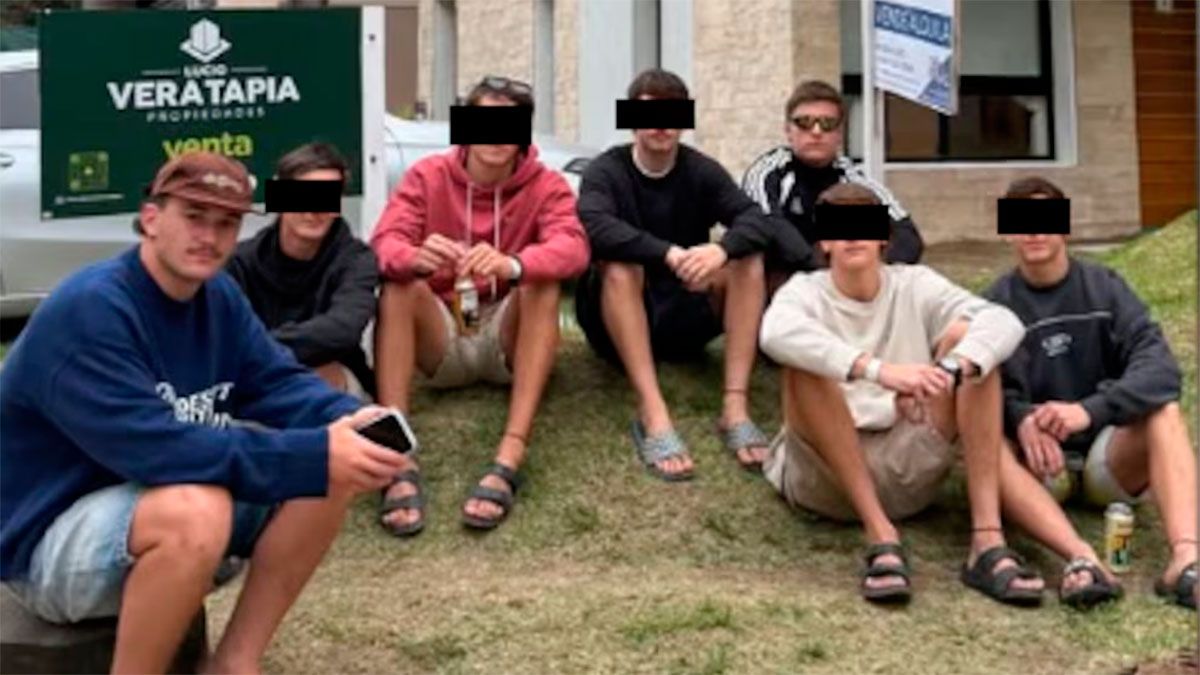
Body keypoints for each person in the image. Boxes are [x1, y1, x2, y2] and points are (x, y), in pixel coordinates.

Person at [0, 151, 408, 673]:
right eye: (194, 216)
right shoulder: (92, 309)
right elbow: (159, 451)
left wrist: (354, 421)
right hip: (46, 543)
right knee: (200, 509)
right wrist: (313, 452)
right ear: (151, 218)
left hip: (146, 508)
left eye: (226, 223)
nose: (209, 237)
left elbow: (275, 381)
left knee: (328, 471)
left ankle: (234, 662)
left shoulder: (217, 297)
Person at [759, 182, 1045, 605]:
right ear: (824, 242)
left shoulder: (915, 284)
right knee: (803, 365)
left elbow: (1003, 322)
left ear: (883, 237)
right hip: (825, 477)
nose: (852, 236)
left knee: (971, 347)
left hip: (908, 458)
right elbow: (774, 334)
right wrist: (880, 373)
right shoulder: (805, 291)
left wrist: (945, 372)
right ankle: (881, 536)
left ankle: (987, 542)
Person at [371, 75, 589, 533]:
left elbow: (574, 248)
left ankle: (510, 453)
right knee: (398, 284)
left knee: (541, 282)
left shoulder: (546, 184)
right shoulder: (427, 175)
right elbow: (383, 244)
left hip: (505, 336)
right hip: (443, 333)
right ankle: (396, 455)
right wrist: (415, 256)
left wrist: (513, 264)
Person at [984, 176, 1197, 610]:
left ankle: (1186, 560)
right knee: (984, 444)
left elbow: (1161, 371)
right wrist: (1020, 418)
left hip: (1108, 459)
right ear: (1007, 232)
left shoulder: (1106, 288)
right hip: (1041, 467)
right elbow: (977, 391)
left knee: (1165, 412)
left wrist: (1090, 410)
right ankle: (1080, 560)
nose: (1034, 231)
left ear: (1065, 226)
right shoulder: (993, 303)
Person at [574, 68, 774, 480]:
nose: (661, 125)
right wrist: (667, 253)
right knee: (619, 265)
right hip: (616, 318)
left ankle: (735, 406)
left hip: (687, 310)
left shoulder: (702, 171)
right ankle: (653, 412)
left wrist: (720, 250)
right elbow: (594, 224)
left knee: (747, 260)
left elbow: (755, 219)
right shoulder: (605, 170)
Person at [227, 142, 379, 399]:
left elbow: (343, 330)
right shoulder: (239, 261)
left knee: (316, 373)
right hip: (253, 377)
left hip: (334, 380)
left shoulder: (357, 259)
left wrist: (255, 349)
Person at [742, 80, 923, 288]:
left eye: (828, 123)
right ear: (788, 130)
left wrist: (875, 274)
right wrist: (818, 273)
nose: (816, 131)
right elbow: (766, 223)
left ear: (839, 134)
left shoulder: (852, 179)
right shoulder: (770, 171)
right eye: (804, 122)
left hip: (840, 280)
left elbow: (906, 235)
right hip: (777, 273)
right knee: (751, 256)